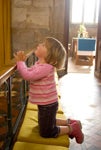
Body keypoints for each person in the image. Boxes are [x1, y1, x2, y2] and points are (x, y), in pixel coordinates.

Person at [14, 37, 84, 144]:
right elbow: (30, 71)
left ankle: (72, 128)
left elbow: (27, 75)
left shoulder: (46, 68)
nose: (40, 44)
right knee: (46, 122)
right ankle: (70, 122)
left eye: (44, 45)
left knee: (46, 132)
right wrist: (23, 62)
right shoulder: (40, 64)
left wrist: (20, 63)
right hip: (46, 103)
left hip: (48, 104)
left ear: (50, 54)